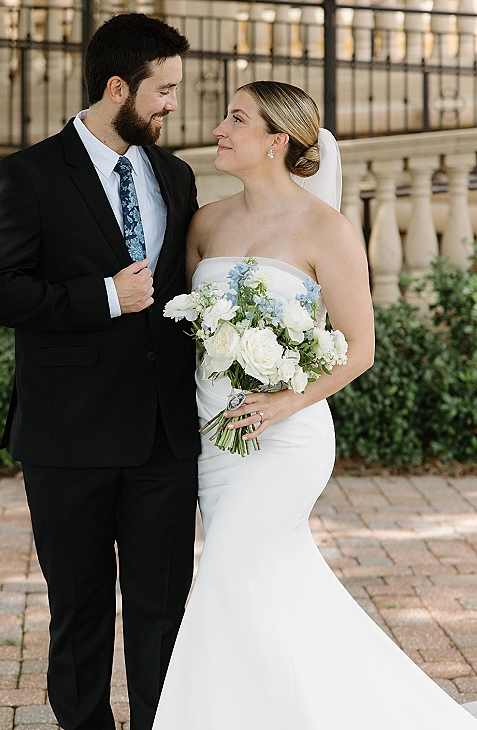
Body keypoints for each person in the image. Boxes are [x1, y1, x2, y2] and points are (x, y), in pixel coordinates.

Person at [152, 80, 477, 729]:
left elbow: (360, 348)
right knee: (261, 585)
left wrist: (283, 403)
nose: (219, 128)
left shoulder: (326, 227)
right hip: (216, 436)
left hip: (286, 439)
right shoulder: (207, 221)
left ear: (277, 140)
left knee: (226, 575)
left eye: (236, 119)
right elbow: (184, 325)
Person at [0, 12, 201, 730]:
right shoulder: (28, 174)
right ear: (116, 87)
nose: (172, 105)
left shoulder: (176, 174)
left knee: (164, 613)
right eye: (162, 90)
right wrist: (104, 295)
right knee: (80, 613)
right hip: (66, 438)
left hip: (163, 437)